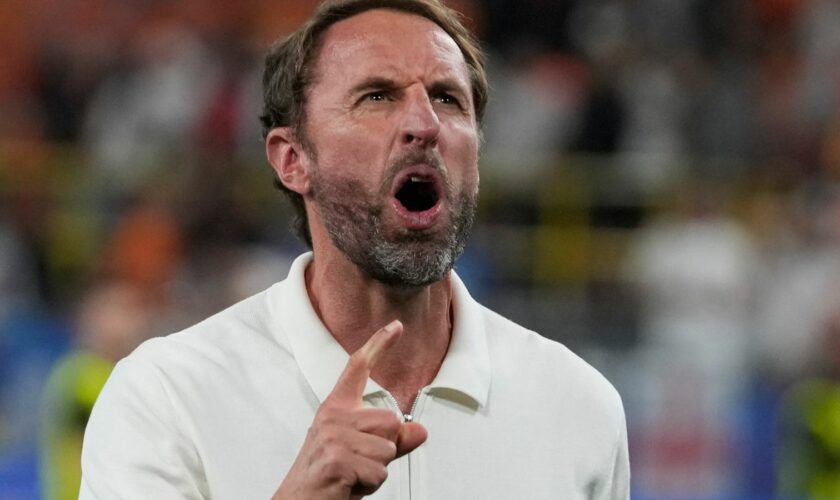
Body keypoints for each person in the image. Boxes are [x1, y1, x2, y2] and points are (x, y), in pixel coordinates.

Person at [80, 0, 630, 498]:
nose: (425, 124)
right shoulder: (167, 397)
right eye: (377, 96)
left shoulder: (578, 407)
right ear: (293, 159)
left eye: (447, 98)